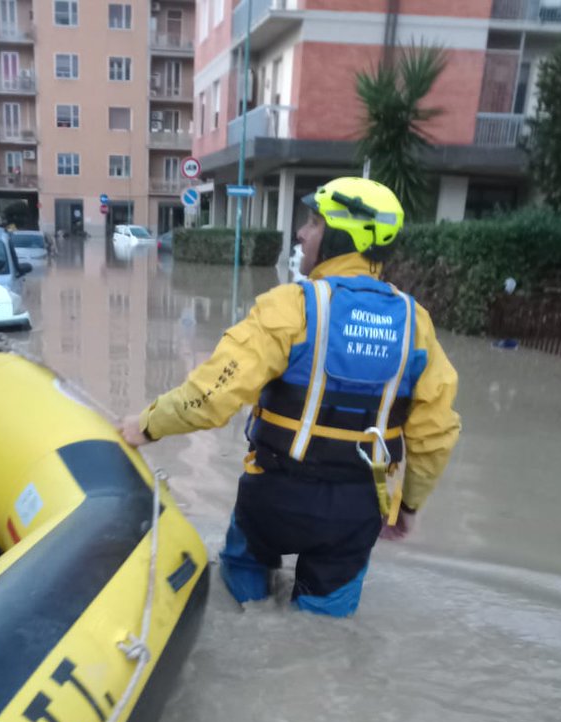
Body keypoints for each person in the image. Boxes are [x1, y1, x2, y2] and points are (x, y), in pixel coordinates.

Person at [120, 176, 461, 618]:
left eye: (314, 223)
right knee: (324, 627)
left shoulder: (290, 307)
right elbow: (435, 436)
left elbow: (210, 395)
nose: (301, 233)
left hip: (275, 497)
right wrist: (409, 505)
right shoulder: (418, 325)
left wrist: (145, 425)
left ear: (342, 236)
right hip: (357, 511)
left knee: (244, 588)